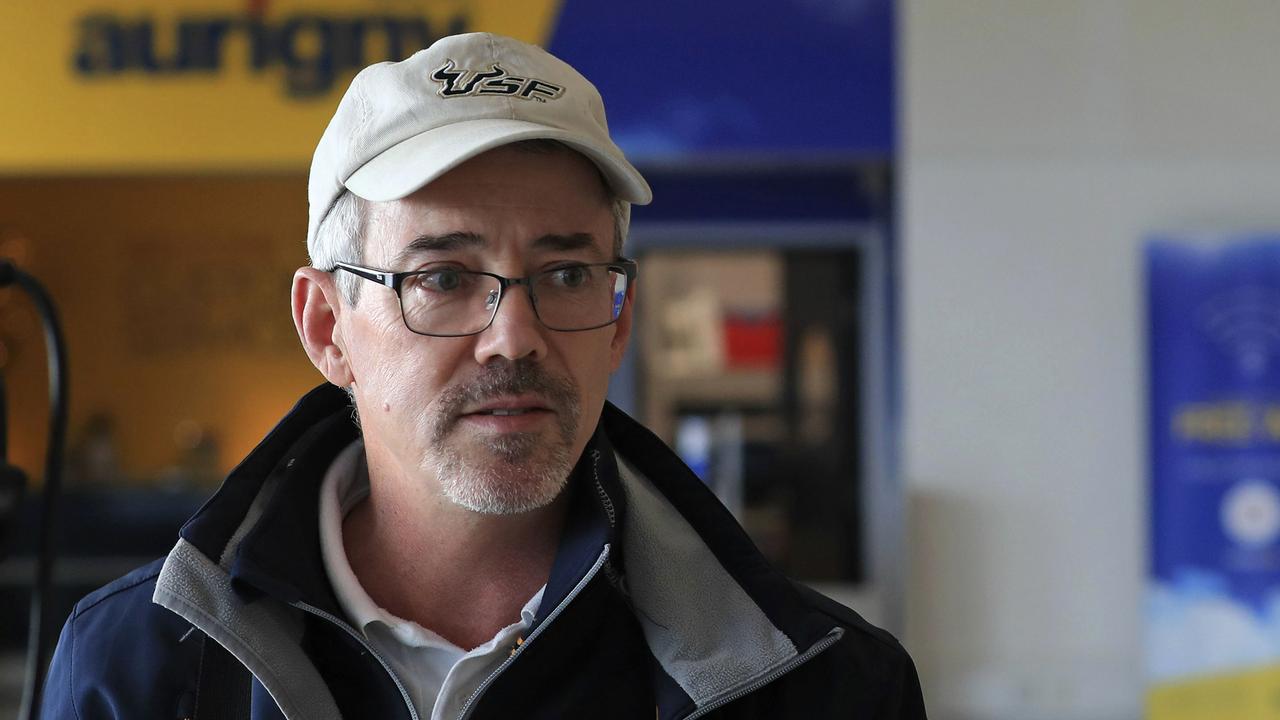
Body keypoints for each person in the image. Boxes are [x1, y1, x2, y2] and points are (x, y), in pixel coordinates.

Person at [39, 32, 926, 719]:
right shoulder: (143, 668)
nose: (515, 338)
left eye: (568, 274)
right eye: (444, 278)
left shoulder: (824, 685)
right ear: (326, 327)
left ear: (619, 323)